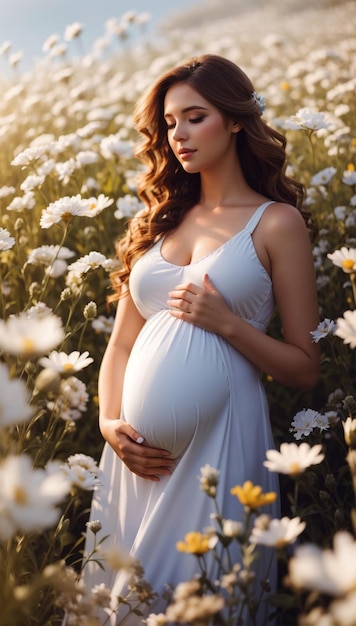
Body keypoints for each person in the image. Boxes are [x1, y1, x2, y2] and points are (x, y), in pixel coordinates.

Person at [83, 54, 320, 624]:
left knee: (203, 604)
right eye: (169, 123)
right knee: (119, 607)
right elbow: (120, 345)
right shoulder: (161, 218)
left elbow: (306, 368)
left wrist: (228, 323)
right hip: (133, 460)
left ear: (235, 120)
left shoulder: (276, 222)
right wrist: (107, 424)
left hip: (221, 449)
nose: (179, 135)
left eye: (196, 117)